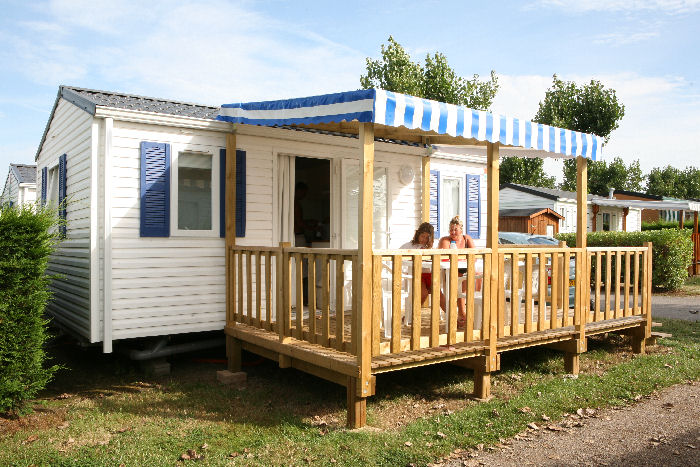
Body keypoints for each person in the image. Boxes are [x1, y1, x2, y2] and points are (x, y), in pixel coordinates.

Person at [438, 216, 476, 325]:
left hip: (465, 269)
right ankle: (461, 313)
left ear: (461, 230)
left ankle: (469, 311)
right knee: (460, 279)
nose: (453, 232)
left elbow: (474, 255)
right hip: (449, 270)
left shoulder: (467, 239)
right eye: (451, 229)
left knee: (477, 275)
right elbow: (445, 258)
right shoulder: (446, 240)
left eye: (455, 229)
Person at [400, 222, 445, 310]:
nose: (424, 239)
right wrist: (404, 271)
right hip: (415, 274)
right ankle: (412, 314)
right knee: (423, 293)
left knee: (438, 294)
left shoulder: (430, 248)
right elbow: (399, 260)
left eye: (427, 237)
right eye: (422, 236)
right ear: (418, 234)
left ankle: (452, 316)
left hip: (428, 275)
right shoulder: (409, 246)